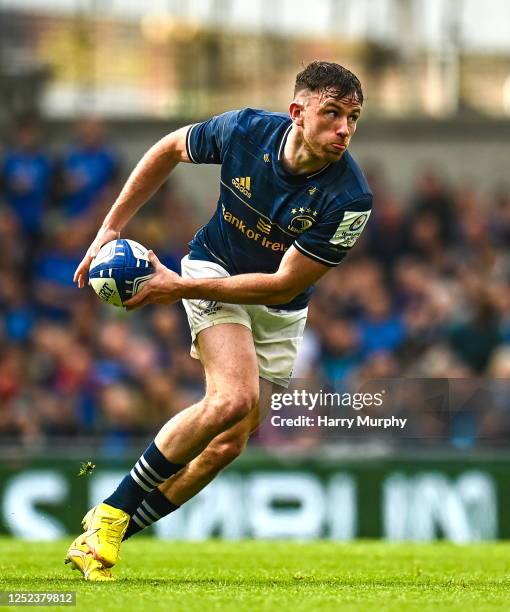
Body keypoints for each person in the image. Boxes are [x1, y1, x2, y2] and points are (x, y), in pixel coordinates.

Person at [65, 61, 373, 581]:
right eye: (332, 114)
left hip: (277, 304)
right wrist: (110, 228)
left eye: (353, 118)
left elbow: (282, 284)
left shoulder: (350, 198)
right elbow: (168, 149)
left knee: (229, 442)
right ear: (297, 112)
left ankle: (99, 537)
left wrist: (175, 288)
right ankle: (114, 511)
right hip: (214, 266)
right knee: (232, 398)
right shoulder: (246, 130)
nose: (344, 129)